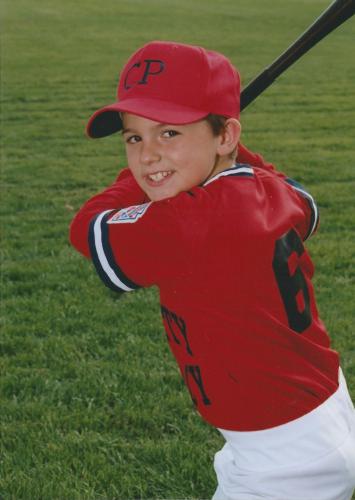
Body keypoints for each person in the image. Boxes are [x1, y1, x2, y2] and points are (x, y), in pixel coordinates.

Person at [69, 41, 355, 500]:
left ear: (226, 137)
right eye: (134, 138)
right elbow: (305, 202)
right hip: (319, 409)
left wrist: (137, 182)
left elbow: (88, 228)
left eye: (168, 133)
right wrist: (215, 149)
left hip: (282, 458)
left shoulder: (189, 222)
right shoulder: (264, 188)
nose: (147, 156)